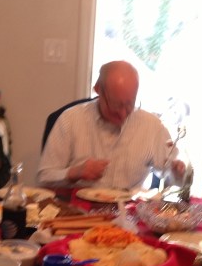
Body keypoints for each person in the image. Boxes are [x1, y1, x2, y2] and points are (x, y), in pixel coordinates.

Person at [36, 60, 179, 190]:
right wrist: (75, 173)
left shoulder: (151, 126)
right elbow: (44, 178)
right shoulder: (70, 120)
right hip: (77, 213)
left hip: (128, 214)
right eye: (116, 106)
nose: (123, 114)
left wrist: (177, 172)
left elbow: (170, 174)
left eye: (129, 105)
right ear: (98, 90)